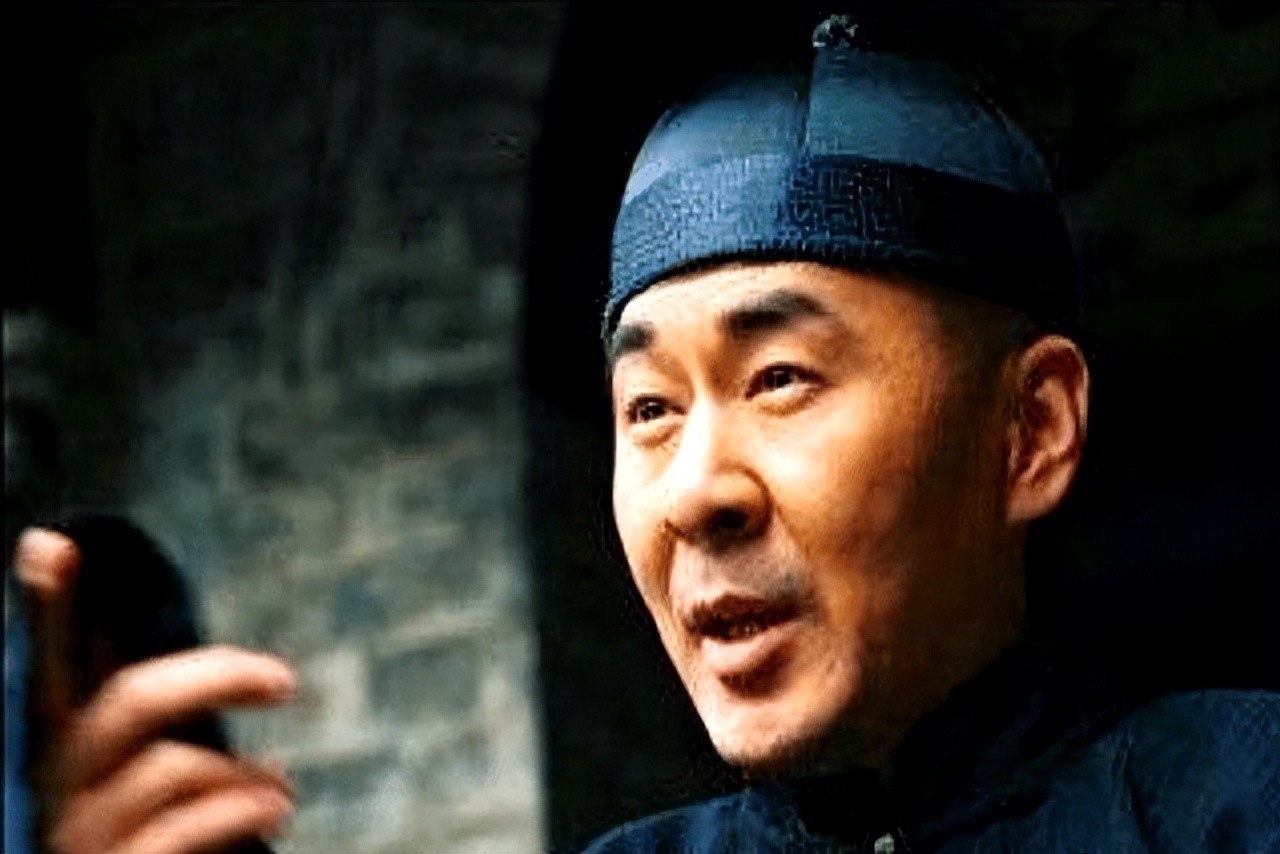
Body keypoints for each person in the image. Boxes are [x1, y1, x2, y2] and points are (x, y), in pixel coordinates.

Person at [11, 14, 1278, 854]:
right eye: (650, 409)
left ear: (1029, 429)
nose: (693, 491)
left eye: (778, 377)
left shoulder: (1235, 795)